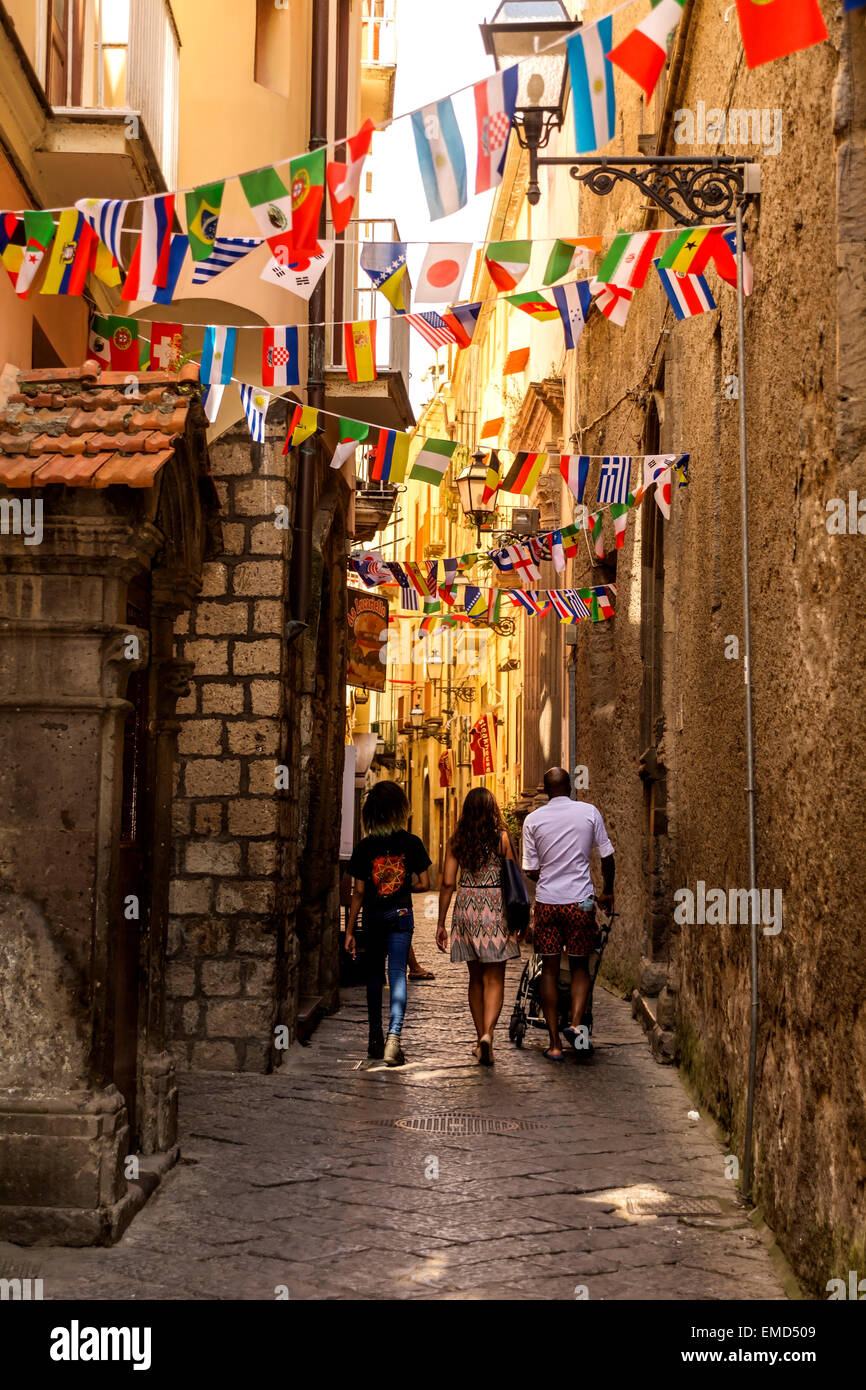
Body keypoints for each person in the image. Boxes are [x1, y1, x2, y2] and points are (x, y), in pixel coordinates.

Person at [522, 768, 615, 1061]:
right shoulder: (589, 812)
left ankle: (554, 1044)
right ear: (571, 786)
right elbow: (607, 856)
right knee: (579, 967)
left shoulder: (533, 820)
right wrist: (608, 892)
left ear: (547, 791)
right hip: (580, 904)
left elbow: (530, 869)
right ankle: (575, 1023)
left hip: (548, 903)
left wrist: (548, 878)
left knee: (548, 970)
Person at [345, 781, 431, 1065]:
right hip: (401, 915)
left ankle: (374, 1037)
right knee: (397, 975)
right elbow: (424, 883)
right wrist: (402, 888)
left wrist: (349, 930)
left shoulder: (364, 847)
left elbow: (357, 892)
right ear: (399, 810)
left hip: (371, 917)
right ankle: (394, 1040)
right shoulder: (412, 843)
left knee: (373, 976)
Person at [436, 787, 522, 1066]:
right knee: (495, 978)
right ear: (491, 809)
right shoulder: (502, 839)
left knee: (474, 978)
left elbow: (448, 882)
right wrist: (519, 918)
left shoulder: (457, 841)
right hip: (495, 906)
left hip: (467, 907)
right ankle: (488, 1035)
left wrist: (440, 922)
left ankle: (479, 1039)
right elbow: (514, 878)